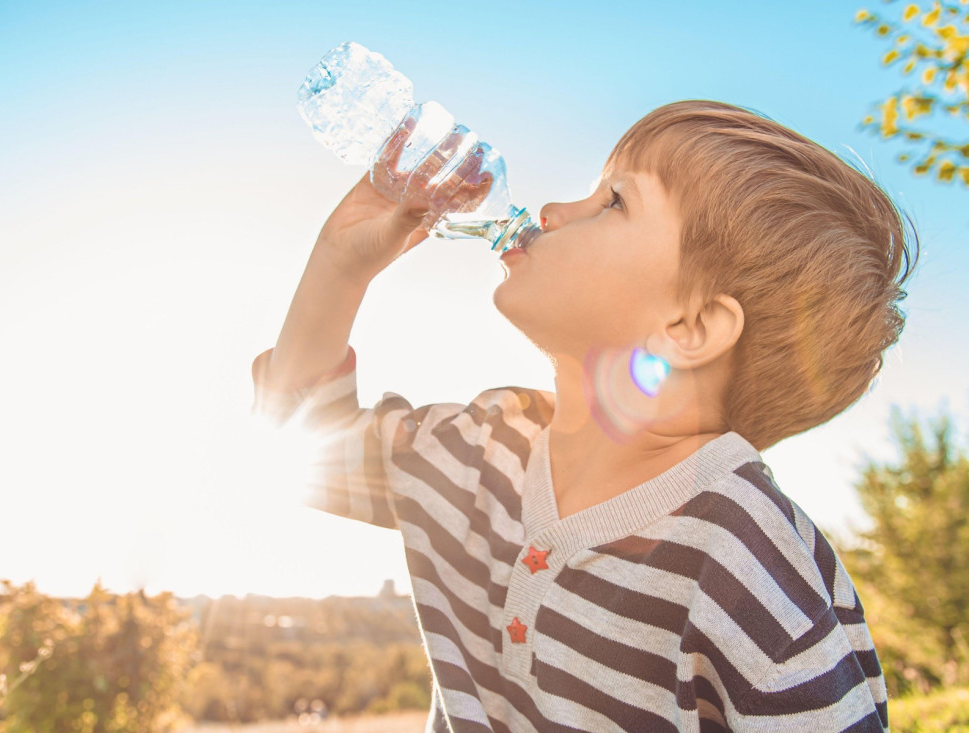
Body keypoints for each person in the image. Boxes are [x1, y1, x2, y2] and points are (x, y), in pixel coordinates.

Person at [252, 100, 916, 732]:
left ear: (689, 326)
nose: (554, 210)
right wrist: (340, 262)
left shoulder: (750, 563)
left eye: (614, 202)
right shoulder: (483, 452)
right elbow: (305, 445)